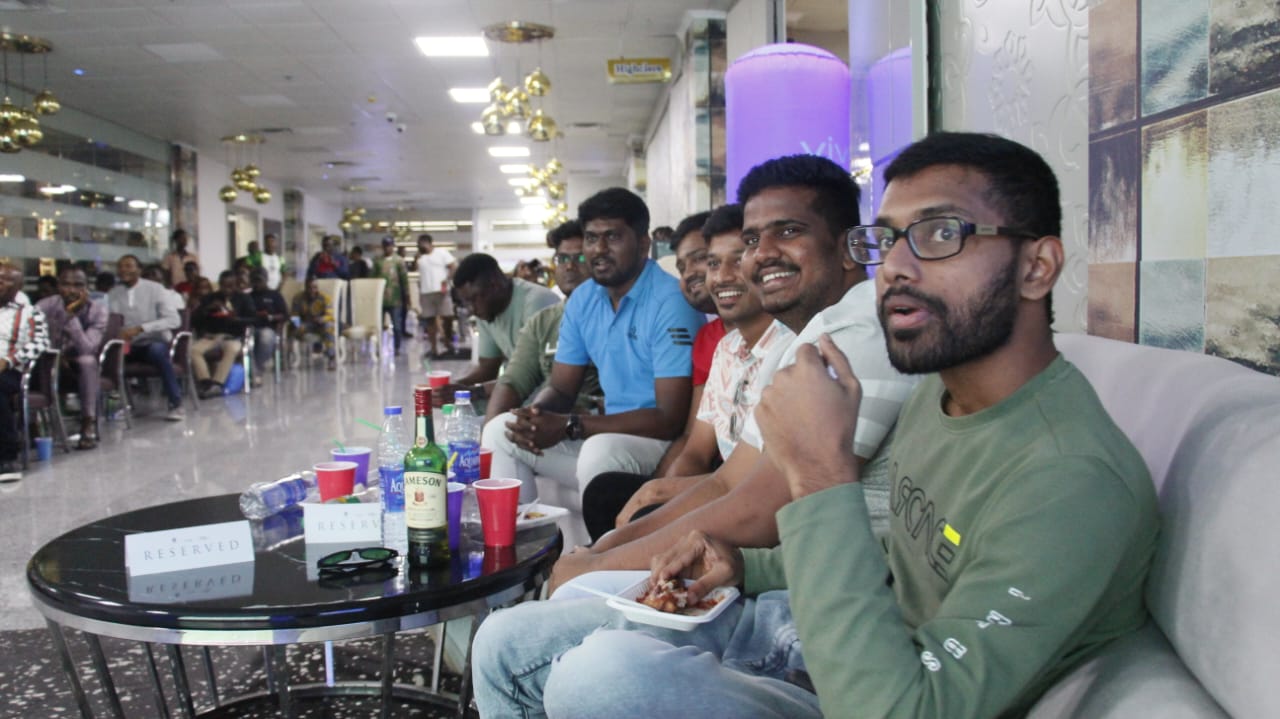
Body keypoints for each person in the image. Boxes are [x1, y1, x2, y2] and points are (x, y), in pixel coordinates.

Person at [473, 133, 1161, 719]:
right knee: (504, 642)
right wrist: (740, 564)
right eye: (888, 239)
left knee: (600, 677)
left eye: (940, 235)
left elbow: (907, 706)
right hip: (819, 629)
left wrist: (821, 475)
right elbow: (896, 558)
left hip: (878, 685)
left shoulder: (1071, 480)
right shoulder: (940, 393)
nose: (896, 268)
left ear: (1037, 267)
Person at [482, 187, 706, 515]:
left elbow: (669, 419)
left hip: (663, 445)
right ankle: (523, 538)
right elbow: (561, 389)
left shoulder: (670, 301)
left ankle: (605, 546)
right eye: (591, 238)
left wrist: (571, 425)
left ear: (643, 244)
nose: (599, 249)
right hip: (610, 434)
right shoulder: (584, 299)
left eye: (612, 237)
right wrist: (536, 416)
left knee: (599, 449)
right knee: (501, 431)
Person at [580, 203, 787, 540]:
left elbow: (758, 483)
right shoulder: (727, 348)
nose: (721, 276)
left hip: (760, 503)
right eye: (714, 263)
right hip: (722, 484)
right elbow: (695, 448)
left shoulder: (792, 346)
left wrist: (662, 499)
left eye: (737, 261)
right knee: (605, 493)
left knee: (636, 512)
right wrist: (661, 490)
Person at [483, 221, 602, 423]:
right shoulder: (542, 322)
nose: (569, 266)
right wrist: (491, 428)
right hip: (550, 418)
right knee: (497, 428)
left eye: (580, 258)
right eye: (562, 258)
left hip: (596, 423)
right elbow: (512, 382)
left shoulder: (614, 314)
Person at [438, 253, 559, 405]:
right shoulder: (486, 311)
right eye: (466, 302)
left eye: (474, 299)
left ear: (494, 285)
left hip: (550, 397)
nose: (472, 309)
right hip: (520, 393)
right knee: (469, 410)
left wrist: (477, 391)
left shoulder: (536, 302)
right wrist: (451, 389)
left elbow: (534, 375)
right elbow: (488, 368)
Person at [37, 266, 108, 450]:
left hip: (77, 368)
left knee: (87, 361)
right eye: (66, 284)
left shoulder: (97, 311)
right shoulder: (44, 306)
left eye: (78, 285)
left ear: (86, 287)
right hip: (46, 363)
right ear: (58, 286)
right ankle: (31, 424)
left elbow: (87, 348)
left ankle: (88, 422)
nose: (72, 290)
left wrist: (70, 317)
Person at [108, 255, 185, 421]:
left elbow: (174, 320)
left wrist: (141, 328)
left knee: (157, 351)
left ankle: (176, 403)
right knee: (107, 357)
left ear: (139, 269)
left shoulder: (156, 289)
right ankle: (120, 406)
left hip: (152, 341)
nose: (124, 270)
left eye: (129, 266)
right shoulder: (113, 293)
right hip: (127, 345)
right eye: (120, 266)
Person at [0, 263, 49, 480]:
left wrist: (8, 361)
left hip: (10, 371)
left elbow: (40, 343)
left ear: (18, 286)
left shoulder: (30, 312)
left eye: (5, 280)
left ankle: (8, 457)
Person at [190, 270, 253, 398]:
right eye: (223, 286)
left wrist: (236, 319)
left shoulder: (244, 299)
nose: (227, 290)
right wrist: (206, 310)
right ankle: (206, 382)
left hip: (232, 336)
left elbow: (254, 319)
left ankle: (217, 383)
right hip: (211, 336)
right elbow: (194, 321)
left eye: (230, 286)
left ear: (236, 285)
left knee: (232, 348)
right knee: (193, 350)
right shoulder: (210, 298)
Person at [414, 233, 457, 358]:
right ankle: (433, 348)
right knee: (430, 320)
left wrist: (447, 279)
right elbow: (416, 270)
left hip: (441, 291)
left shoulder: (441, 253)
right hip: (426, 292)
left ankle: (448, 341)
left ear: (429, 243)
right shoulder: (420, 257)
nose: (421, 246)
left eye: (423, 244)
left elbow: (453, 266)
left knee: (448, 316)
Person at [247, 268, 288, 385]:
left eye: (259, 281)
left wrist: (271, 317)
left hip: (269, 327)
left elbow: (285, 315)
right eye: (254, 281)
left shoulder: (275, 295)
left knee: (265, 337)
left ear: (266, 280)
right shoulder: (248, 296)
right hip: (251, 327)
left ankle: (257, 371)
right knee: (245, 340)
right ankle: (250, 373)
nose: (257, 284)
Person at [372, 236, 409, 353]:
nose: (387, 248)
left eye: (389, 246)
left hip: (395, 298)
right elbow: (373, 278)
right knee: (378, 324)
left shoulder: (399, 261)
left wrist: (407, 295)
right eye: (385, 246)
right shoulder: (377, 261)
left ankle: (397, 347)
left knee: (397, 325)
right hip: (380, 298)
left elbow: (404, 279)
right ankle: (379, 347)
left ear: (393, 246)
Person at [292, 277, 337, 371]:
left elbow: (330, 315)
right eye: (309, 288)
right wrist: (298, 325)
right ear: (305, 287)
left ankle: (331, 358)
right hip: (306, 324)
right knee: (295, 329)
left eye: (315, 287)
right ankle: (290, 358)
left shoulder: (324, 298)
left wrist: (322, 319)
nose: (312, 290)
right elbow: (294, 316)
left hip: (320, 323)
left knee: (329, 326)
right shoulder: (298, 298)